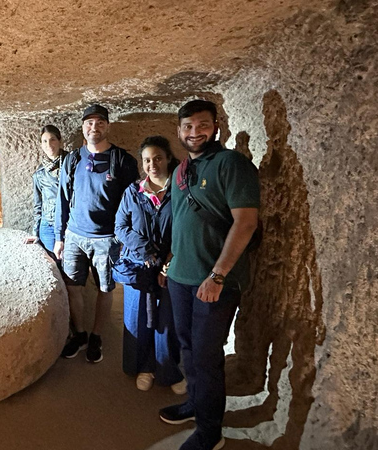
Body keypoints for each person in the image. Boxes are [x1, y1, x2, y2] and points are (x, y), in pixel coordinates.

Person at [159, 100, 260, 450]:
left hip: (215, 282)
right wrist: (170, 261)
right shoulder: (181, 171)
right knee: (188, 349)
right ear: (179, 130)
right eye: (187, 126)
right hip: (181, 278)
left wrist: (217, 276)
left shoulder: (231, 164)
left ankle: (209, 431)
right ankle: (195, 404)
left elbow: (246, 222)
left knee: (206, 356)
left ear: (216, 126)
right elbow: (180, 222)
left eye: (202, 125)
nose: (194, 132)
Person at [54, 104, 139, 363]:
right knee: (73, 286)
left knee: (105, 287)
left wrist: (125, 238)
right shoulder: (72, 160)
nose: (94, 127)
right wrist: (59, 236)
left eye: (100, 122)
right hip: (75, 236)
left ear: (107, 126)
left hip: (106, 238)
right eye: (89, 122)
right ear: (83, 127)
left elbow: (133, 203)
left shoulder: (123, 161)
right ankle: (79, 334)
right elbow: (62, 200)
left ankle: (97, 335)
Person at [114, 136, 185, 393]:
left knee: (167, 320)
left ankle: (168, 369)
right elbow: (120, 227)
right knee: (138, 319)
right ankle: (143, 367)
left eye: (157, 158)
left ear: (167, 159)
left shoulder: (179, 192)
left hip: (170, 264)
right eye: (147, 160)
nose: (152, 164)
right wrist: (146, 250)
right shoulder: (133, 192)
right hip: (139, 265)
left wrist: (168, 259)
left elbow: (185, 228)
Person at [23, 125, 68, 273]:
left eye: (52, 139)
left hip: (69, 225)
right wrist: (35, 232)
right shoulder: (40, 174)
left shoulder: (72, 164)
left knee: (70, 270)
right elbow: (38, 206)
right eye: (44, 141)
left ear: (59, 140)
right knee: (56, 268)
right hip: (48, 225)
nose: (49, 145)